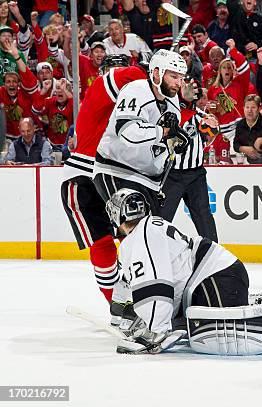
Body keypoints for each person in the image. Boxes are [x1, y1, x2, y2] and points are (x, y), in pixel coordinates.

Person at [106, 188, 262, 354]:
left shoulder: (138, 239)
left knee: (201, 330)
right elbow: (142, 283)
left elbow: (155, 286)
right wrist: (124, 316)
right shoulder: (151, 227)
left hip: (216, 279)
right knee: (186, 322)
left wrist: (155, 330)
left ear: (117, 216)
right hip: (222, 276)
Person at [60, 57, 145, 305]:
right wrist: (152, 77)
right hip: (83, 178)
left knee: (134, 238)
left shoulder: (133, 107)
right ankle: (117, 305)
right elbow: (126, 76)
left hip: (114, 177)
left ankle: (140, 294)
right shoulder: (100, 86)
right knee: (103, 242)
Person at [93, 49, 188, 216]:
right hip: (117, 170)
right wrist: (164, 132)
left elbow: (163, 139)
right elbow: (128, 132)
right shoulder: (136, 90)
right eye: (174, 76)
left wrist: (175, 142)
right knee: (134, 229)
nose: (179, 83)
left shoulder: (173, 100)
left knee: (150, 236)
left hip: (149, 180)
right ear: (157, 73)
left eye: (181, 77)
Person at [158, 105, 219, 243]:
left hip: (196, 175)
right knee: (161, 219)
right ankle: (154, 254)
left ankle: (213, 256)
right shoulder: (168, 111)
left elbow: (213, 131)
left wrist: (211, 124)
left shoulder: (199, 115)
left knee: (204, 218)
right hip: (171, 174)